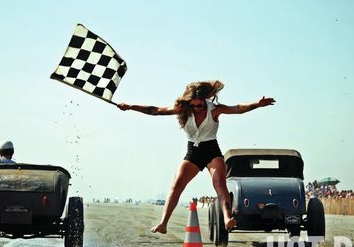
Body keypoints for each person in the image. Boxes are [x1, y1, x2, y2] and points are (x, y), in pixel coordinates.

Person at [117, 80, 275, 234]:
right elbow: (155, 110)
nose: (196, 108)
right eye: (193, 105)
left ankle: (227, 218)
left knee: (219, 183)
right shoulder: (183, 109)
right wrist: (130, 107)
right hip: (193, 152)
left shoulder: (214, 109)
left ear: (205, 100)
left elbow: (238, 108)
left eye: (199, 105)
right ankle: (163, 223)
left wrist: (257, 104)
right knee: (176, 185)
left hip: (212, 150)